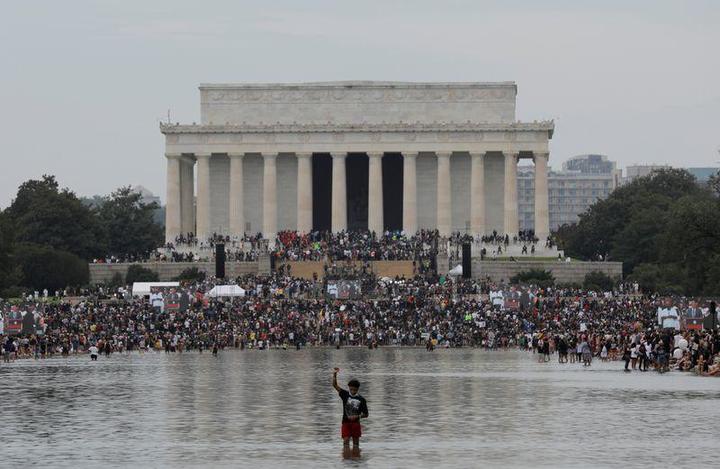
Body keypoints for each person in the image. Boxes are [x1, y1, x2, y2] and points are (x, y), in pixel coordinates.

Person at [332, 367, 368, 458]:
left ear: (357, 389)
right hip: (345, 422)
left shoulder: (362, 399)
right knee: (346, 441)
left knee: (356, 444)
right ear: (349, 388)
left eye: (354, 390)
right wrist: (335, 374)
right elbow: (335, 385)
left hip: (356, 423)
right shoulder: (345, 394)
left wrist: (358, 416)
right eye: (351, 389)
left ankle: (356, 459)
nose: (352, 391)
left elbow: (366, 414)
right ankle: (346, 459)